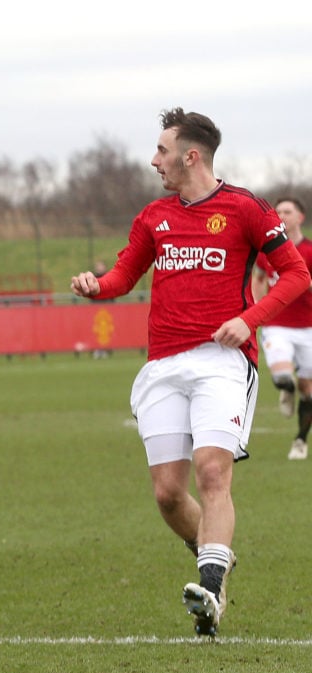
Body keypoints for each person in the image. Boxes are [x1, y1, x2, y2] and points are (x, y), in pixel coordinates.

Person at [70, 108, 310, 638]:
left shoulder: (246, 208)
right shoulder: (152, 217)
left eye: (162, 150)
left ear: (190, 155)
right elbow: (123, 276)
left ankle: (211, 584)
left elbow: (295, 274)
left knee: (212, 472)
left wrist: (249, 322)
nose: (154, 160)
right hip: (163, 366)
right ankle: (215, 554)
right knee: (167, 494)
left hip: (221, 363)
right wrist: (95, 285)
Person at [251, 197, 312, 460]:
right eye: (278, 212)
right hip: (277, 325)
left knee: (308, 389)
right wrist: (256, 309)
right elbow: (259, 278)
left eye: (288, 211)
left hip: (308, 326)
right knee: (283, 376)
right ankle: (285, 388)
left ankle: (300, 440)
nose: (282, 215)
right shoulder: (267, 252)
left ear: (300, 217)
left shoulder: (310, 250)